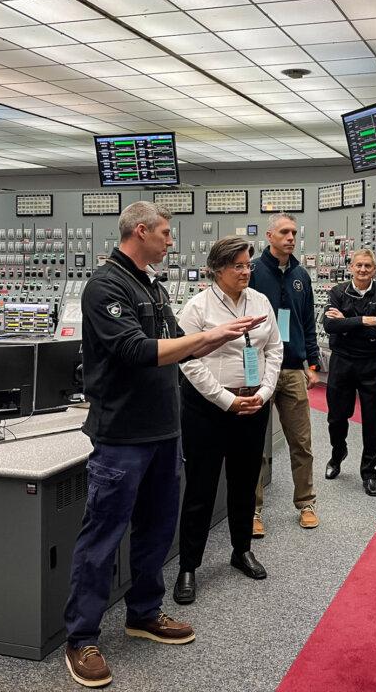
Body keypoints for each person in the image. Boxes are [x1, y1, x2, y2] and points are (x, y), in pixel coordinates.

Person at [63, 202, 265, 689]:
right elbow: (135, 351)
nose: (171, 241)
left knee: (156, 529)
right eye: (166, 233)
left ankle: (144, 612)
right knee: (103, 535)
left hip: (161, 431)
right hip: (122, 435)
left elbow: (179, 343)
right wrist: (210, 333)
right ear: (140, 231)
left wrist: (225, 338)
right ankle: (81, 638)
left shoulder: (150, 286)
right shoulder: (105, 286)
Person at [173, 236, 282, 605]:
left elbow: (274, 349)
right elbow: (188, 360)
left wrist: (264, 393)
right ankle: (189, 565)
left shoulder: (261, 301)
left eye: (248, 265)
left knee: (244, 483)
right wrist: (226, 400)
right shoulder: (197, 307)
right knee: (201, 488)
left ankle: (241, 550)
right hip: (208, 408)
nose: (245, 271)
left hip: (253, 404)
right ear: (218, 269)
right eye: (238, 266)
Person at [248, 212, 320, 535]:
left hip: (291, 369)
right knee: (254, 444)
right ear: (269, 236)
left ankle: (306, 503)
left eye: (294, 232)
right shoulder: (251, 272)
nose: (291, 237)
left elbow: (307, 323)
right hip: (259, 368)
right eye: (284, 232)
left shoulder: (301, 276)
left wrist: (312, 364)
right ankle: (253, 510)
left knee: (301, 441)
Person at [321, 249, 376, 497]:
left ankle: (369, 473)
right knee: (336, 417)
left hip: (371, 364)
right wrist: (365, 320)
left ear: (375, 269)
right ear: (351, 267)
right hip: (342, 362)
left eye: (368, 266)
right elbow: (330, 324)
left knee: (372, 420)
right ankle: (337, 454)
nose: (363, 270)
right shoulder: (337, 292)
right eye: (359, 265)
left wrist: (348, 322)